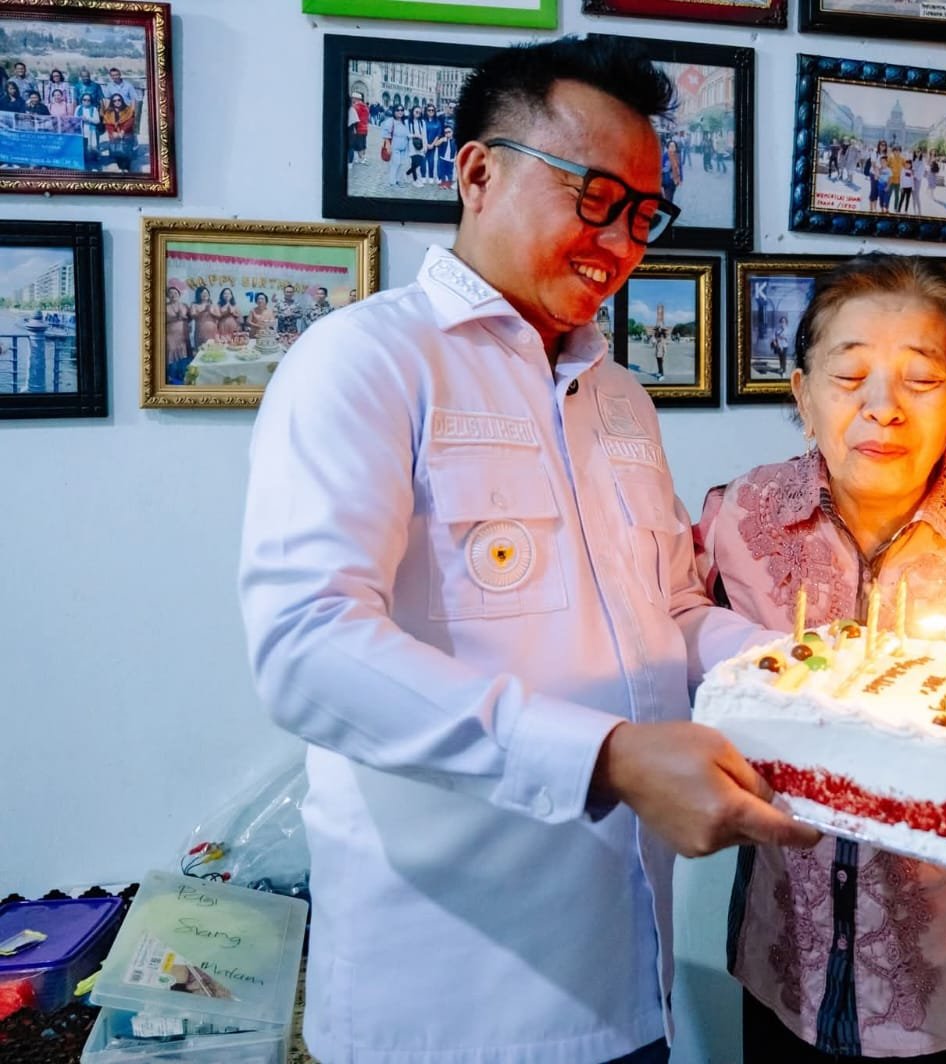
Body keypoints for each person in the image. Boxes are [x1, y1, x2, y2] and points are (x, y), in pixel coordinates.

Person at [237, 36, 803, 1064]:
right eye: (595, 198)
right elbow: (306, 648)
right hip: (453, 995)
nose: (619, 243)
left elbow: (667, 609)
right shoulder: (365, 362)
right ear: (477, 174)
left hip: (627, 970)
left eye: (643, 215)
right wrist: (607, 756)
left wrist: (791, 665)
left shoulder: (619, 396)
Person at [697, 254, 946, 1064]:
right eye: (849, 376)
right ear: (802, 393)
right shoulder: (734, 523)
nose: (882, 408)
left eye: (920, 380)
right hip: (788, 967)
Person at [101, 93, 136, 172]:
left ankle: (127, 169)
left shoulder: (128, 110)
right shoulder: (108, 113)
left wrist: (123, 131)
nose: (117, 102)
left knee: (127, 153)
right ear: (112, 102)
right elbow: (108, 124)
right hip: (115, 136)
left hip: (127, 135)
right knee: (118, 152)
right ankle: (121, 168)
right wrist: (113, 133)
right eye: (114, 101)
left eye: (119, 100)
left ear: (122, 100)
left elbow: (130, 121)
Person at [163, 285, 190, 377]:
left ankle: (183, 375)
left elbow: (190, 317)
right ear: (167, 296)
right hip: (171, 335)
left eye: (175, 293)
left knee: (184, 354)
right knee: (171, 354)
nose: (173, 294)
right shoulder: (164, 307)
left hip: (183, 334)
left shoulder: (184, 305)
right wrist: (174, 318)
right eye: (170, 293)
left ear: (179, 294)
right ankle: (171, 376)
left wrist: (184, 317)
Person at [347, 92, 368, 164]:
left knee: (358, 145)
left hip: (358, 128)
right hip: (365, 128)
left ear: (356, 99)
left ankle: (361, 159)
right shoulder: (365, 106)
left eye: (353, 98)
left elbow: (354, 119)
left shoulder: (356, 107)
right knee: (363, 144)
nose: (352, 99)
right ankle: (362, 158)